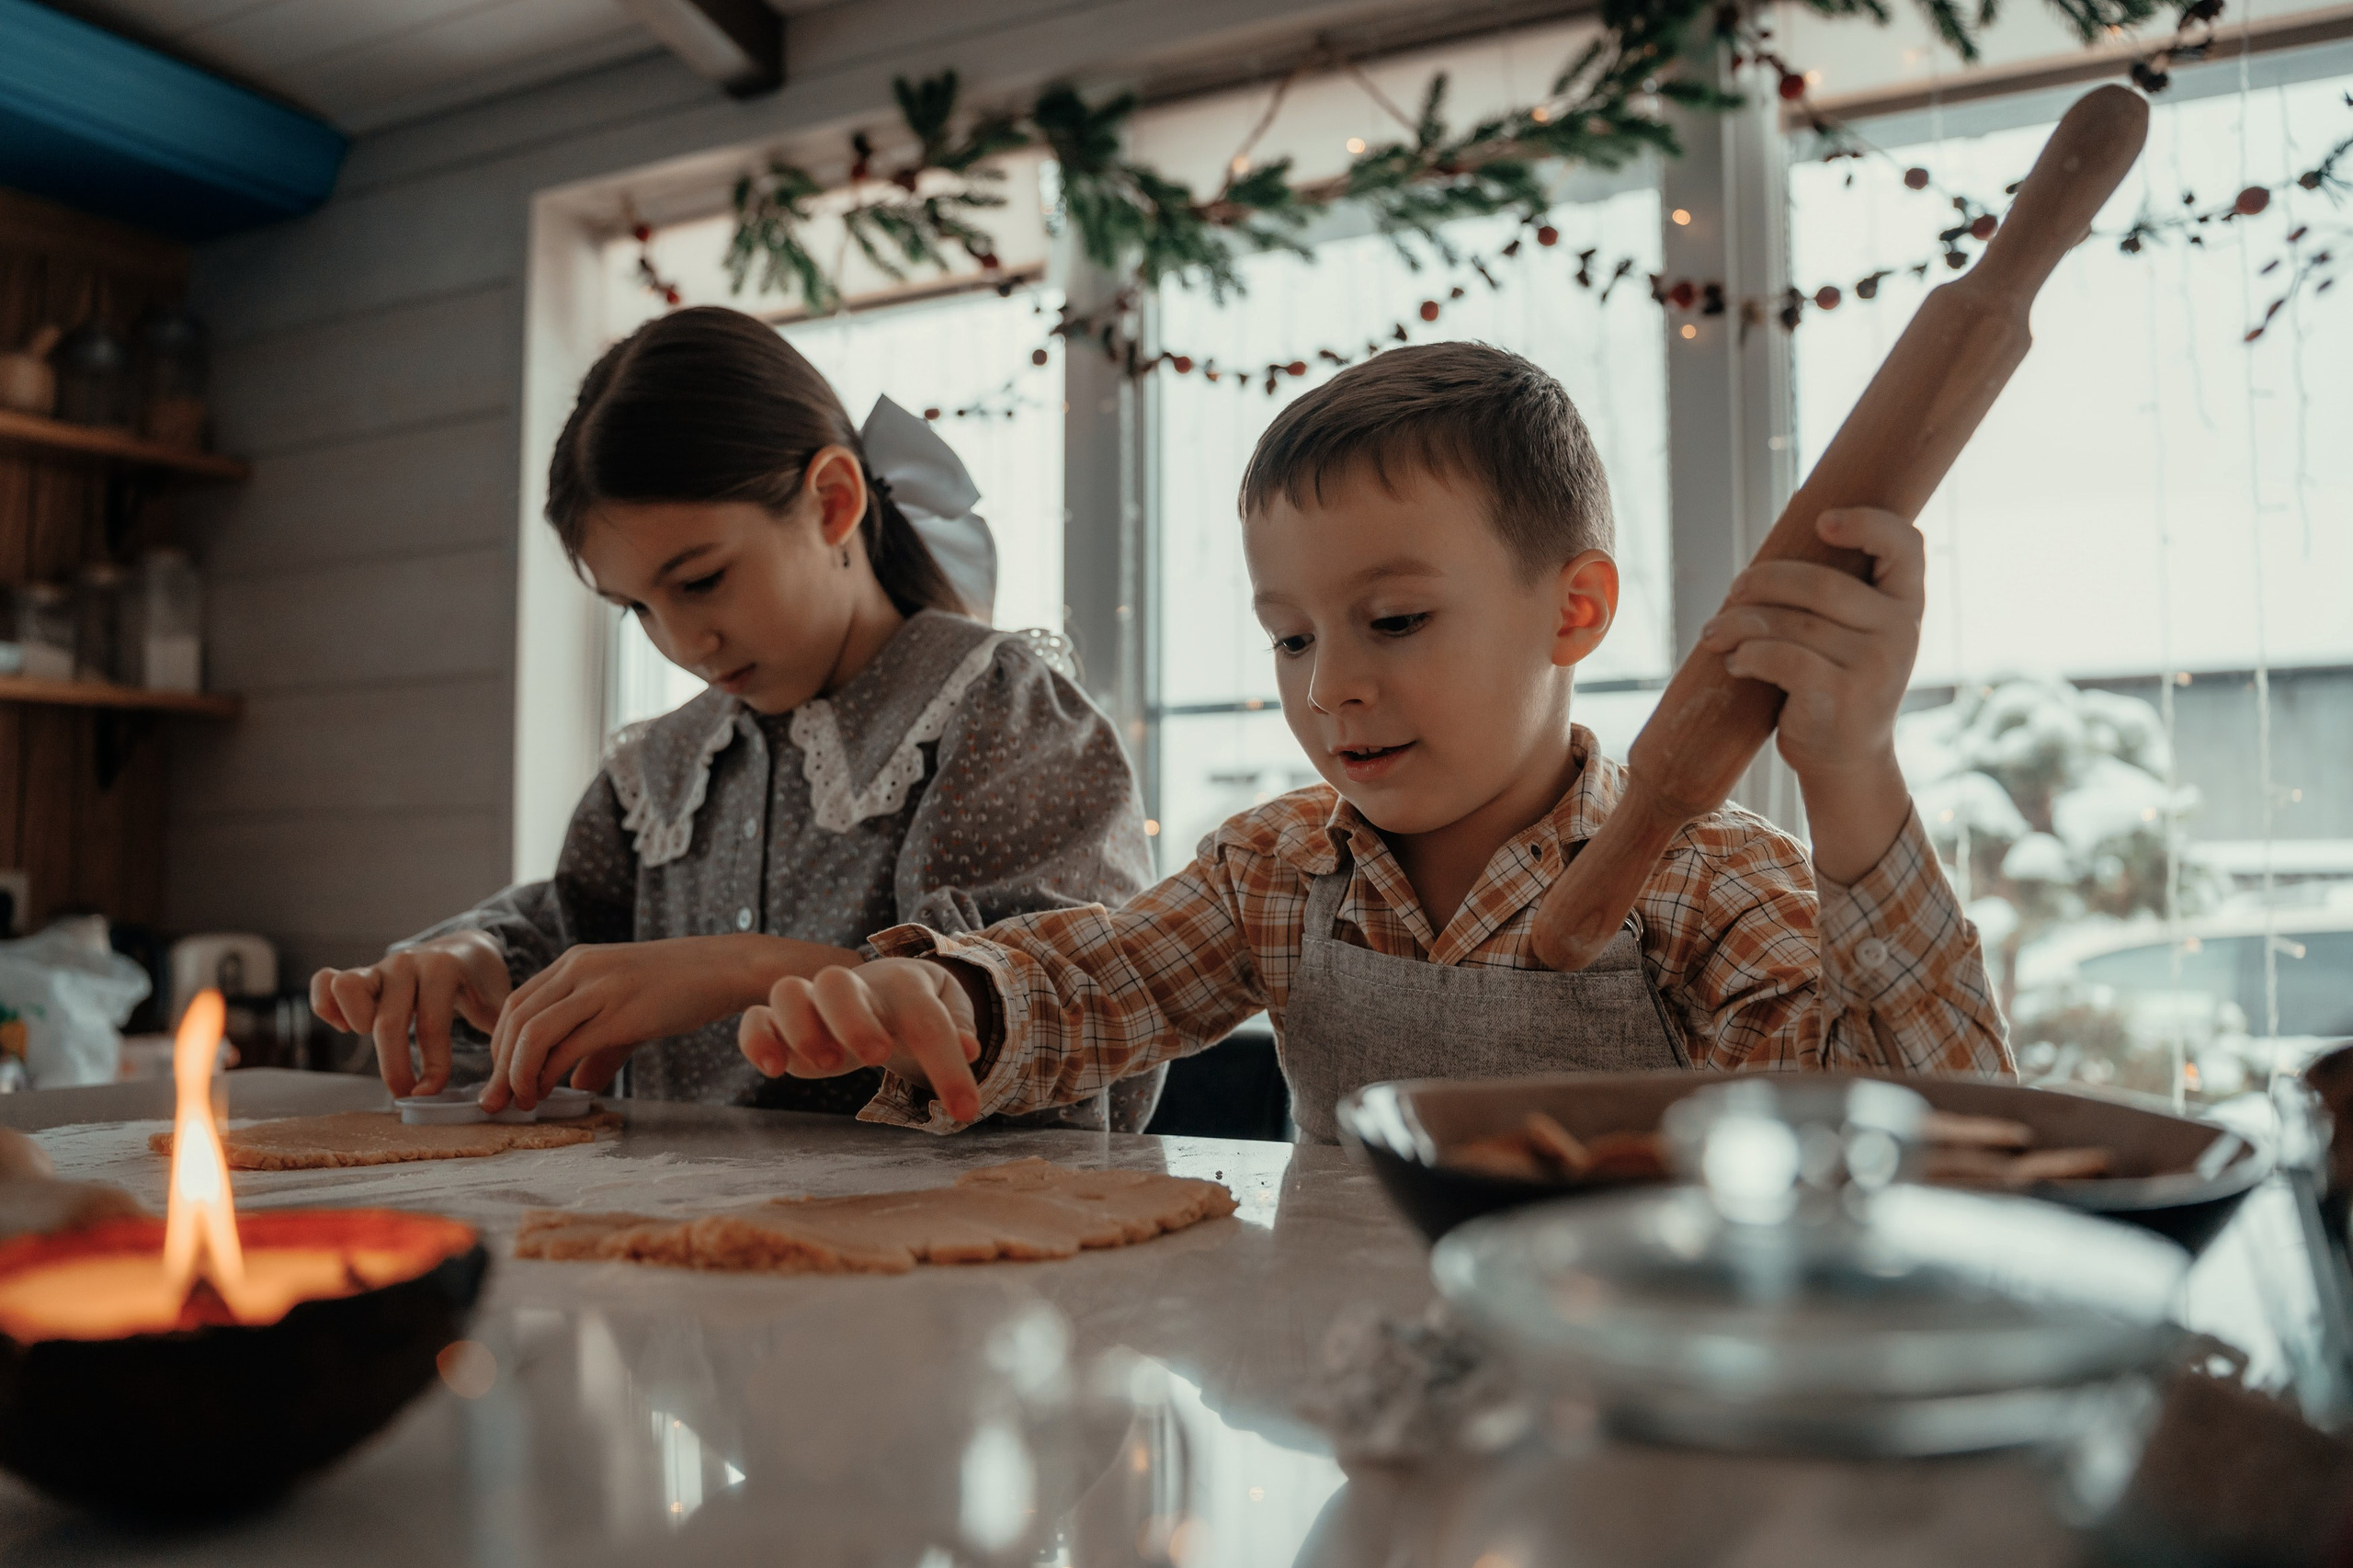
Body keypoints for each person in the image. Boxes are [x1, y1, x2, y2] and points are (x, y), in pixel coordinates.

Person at [734, 341, 2011, 1141]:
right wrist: (947, 997)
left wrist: (1849, 775)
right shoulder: (1276, 874)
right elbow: (1087, 988)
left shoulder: (1709, 883)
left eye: (1395, 619)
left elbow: (1932, 1138)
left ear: (1573, 611)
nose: (1331, 687)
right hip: (1355, 1389)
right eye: (1290, 638)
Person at [309, 306, 1154, 1128]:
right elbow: (572, 925)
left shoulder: (997, 709)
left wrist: (739, 967)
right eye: (635, 608)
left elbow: (1067, 1022)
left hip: (949, 1256)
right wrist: (474, 964)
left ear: (831, 501)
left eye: (702, 579)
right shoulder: (660, 769)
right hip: (679, 1251)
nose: (683, 643)